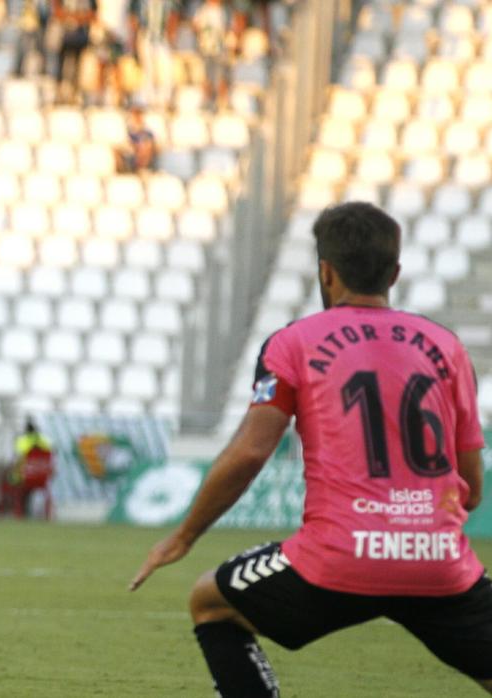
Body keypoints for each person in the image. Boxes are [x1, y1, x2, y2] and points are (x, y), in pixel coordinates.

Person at [130, 201, 492, 696]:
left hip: (337, 557)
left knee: (211, 602)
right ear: (395, 272)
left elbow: (251, 453)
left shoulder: (292, 343)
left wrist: (184, 536)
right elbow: (471, 486)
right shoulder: (447, 347)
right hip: (438, 560)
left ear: (325, 271)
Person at [0, 418, 54, 518]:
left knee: (8, 480)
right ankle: (43, 514)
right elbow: (52, 458)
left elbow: (16, 460)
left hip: (24, 477)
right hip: (43, 478)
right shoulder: (46, 440)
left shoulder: (22, 441)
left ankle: (18, 512)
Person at [193, 0, 232, 109]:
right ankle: (207, 100)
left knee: (221, 75)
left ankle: (222, 102)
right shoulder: (203, 10)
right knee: (206, 76)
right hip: (205, 48)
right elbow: (196, 26)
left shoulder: (224, 11)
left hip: (220, 49)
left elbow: (228, 28)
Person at [121, 106, 157, 172]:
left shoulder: (148, 132)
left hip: (145, 153)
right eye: (135, 115)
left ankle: (145, 166)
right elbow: (127, 142)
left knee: (146, 145)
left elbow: (152, 142)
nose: (138, 117)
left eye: (139, 115)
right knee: (142, 146)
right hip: (132, 154)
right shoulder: (128, 131)